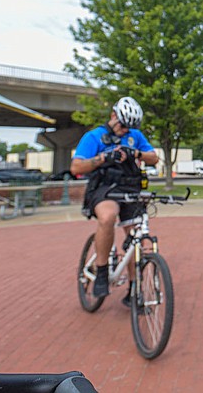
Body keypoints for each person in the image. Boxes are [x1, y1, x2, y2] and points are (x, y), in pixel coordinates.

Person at [71, 96, 159, 304]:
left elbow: (153, 157)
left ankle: (133, 288)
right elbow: (76, 167)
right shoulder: (94, 137)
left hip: (130, 186)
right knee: (108, 216)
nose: (125, 131)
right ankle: (101, 271)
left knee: (134, 235)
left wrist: (136, 153)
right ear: (113, 116)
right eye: (122, 126)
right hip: (104, 188)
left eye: (129, 127)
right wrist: (103, 158)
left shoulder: (134, 136)